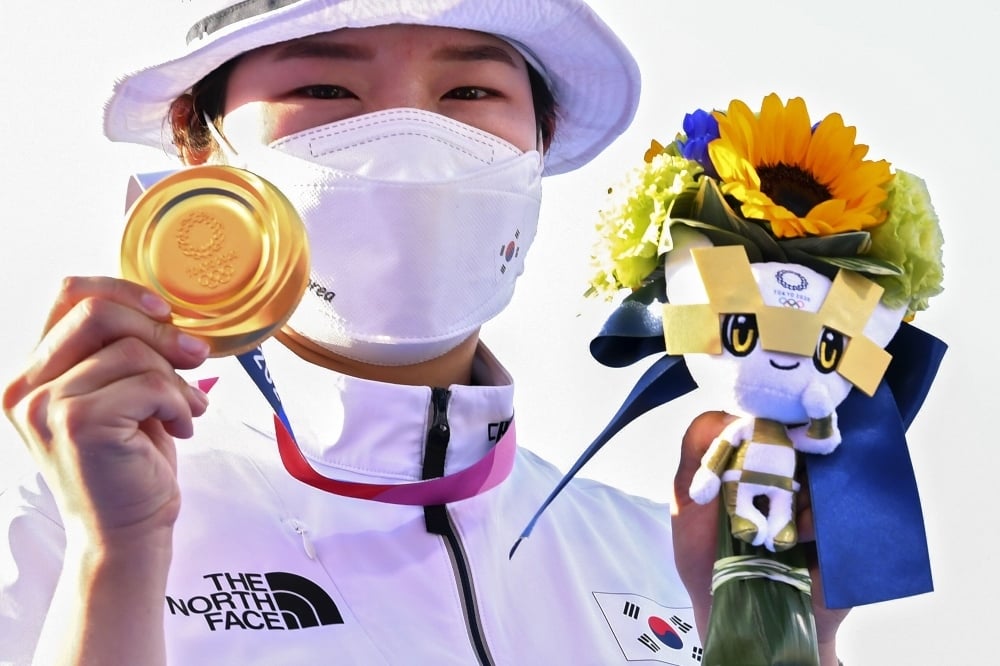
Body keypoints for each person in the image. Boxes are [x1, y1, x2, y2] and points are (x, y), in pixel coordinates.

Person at [0, 1, 847, 664]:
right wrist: (115, 557)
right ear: (203, 153)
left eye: (470, 93)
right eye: (326, 90)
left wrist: (777, 637)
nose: (413, 142)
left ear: (538, 150)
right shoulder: (54, 515)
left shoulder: (662, 558)